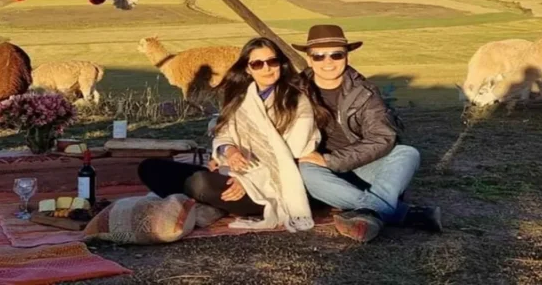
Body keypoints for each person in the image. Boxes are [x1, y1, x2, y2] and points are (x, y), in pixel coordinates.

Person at [137, 36, 332, 231]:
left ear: (281, 64)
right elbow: (225, 133)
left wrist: (246, 179)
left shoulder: (296, 102)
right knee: (150, 168)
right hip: (232, 172)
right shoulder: (241, 98)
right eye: (257, 64)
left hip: (271, 184)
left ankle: (211, 205)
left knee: (200, 184)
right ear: (247, 68)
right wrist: (229, 151)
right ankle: (212, 205)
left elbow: (292, 154)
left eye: (273, 62)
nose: (267, 68)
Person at [294, 24, 442, 243]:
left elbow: (383, 138)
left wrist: (331, 160)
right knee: (307, 169)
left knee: (407, 153)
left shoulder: (365, 92)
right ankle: (403, 213)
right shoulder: (293, 91)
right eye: (319, 56)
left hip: (363, 165)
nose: (328, 62)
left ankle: (371, 210)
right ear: (308, 59)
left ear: (346, 57)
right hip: (322, 173)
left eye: (336, 55)